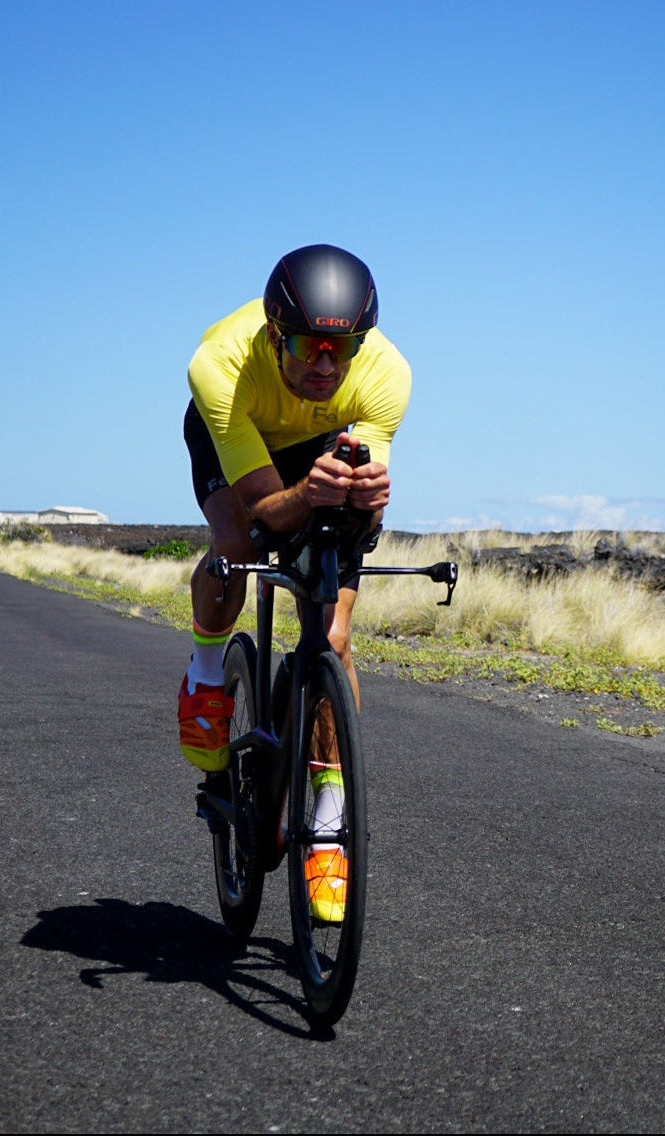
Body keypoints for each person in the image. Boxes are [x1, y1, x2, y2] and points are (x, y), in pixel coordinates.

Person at [179, 243, 412, 919]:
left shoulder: (385, 374)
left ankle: (330, 826)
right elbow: (263, 518)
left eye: (344, 350)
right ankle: (204, 674)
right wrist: (304, 498)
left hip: (318, 445)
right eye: (309, 346)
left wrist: (366, 500)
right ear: (276, 331)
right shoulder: (220, 364)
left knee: (334, 640)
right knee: (234, 547)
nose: (325, 365)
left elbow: (361, 520)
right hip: (238, 432)